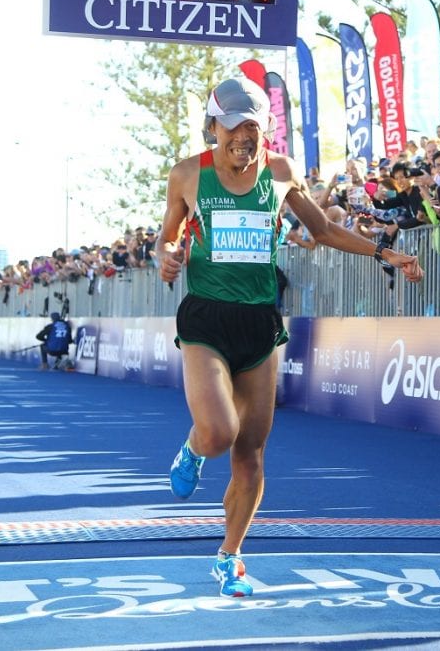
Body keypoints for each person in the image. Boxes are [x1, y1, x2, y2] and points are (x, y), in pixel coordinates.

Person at [156, 78, 424, 598]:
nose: (243, 137)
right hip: (207, 319)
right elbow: (168, 234)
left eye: (253, 127)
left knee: (251, 452)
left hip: (259, 321)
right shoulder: (188, 174)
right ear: (214, 128)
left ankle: (229, 557)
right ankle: (192, 449)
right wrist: (167, 255)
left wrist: (384, 254)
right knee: (217, 433)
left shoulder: (280, 172)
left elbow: (321, 229)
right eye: (233, 127)